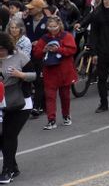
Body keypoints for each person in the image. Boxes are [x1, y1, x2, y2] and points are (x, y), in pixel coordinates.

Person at [0, 32, 37, 183]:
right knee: (2, 137)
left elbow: (34, 75)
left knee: (9, 135)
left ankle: (7, 170)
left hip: (20, 102)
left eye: (2, 49)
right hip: (2, 103)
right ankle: (13, 166)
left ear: (7, 47)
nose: (0, 52)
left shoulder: (20, 56)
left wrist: (20, 75)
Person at [32, 16, 76, 130]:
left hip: (64, 70)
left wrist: (58, 49)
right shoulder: (44, 38)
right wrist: (44, 50)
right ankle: (51, 120)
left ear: (59, 25)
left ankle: (66, 116)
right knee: (50, 96)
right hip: (49, 71)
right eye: (50, 27)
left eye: (54, 26)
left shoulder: (66, 36)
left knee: (65, 96)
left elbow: (72, 50)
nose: (52, 29)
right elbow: (36, 53)